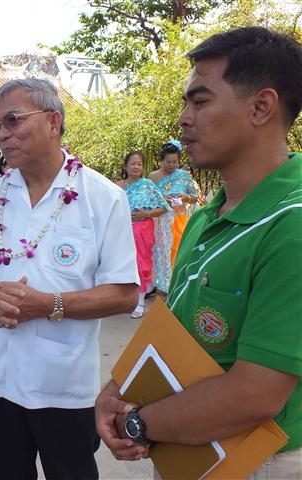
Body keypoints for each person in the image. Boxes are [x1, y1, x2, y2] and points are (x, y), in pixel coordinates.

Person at [95, 26, 302, 479]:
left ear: (261, 106)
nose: (184, 118)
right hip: (186, 451)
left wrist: (137, 422)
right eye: (187, 102)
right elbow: (170, 321)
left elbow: (254, 395)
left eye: (201, 101)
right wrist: (115, 389)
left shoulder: (293, 226)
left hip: (260, 462)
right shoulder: (212, 213)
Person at [0, 78, 139, 479]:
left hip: (63, 387)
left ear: (54, 122)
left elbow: (125, 294)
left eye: (14, 120)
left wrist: (50, 304)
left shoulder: (102, 198)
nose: (2, 134)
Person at [116, 151, 169, 318]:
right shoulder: (116, 187)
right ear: (125, 166)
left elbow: (163, 208)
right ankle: (121, 300)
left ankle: (139, 302)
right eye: (132, 163)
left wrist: (146, 214)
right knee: (121, 264)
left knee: (141, 264)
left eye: (139, 164)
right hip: (121, 230)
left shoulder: (147, 185)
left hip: (142, 229)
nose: (136, 167)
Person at [149, 141, 198, 293]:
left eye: (175, 162)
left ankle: (175, 283)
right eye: (168, 162)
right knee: (159, 251)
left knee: (177, 250)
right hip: (160, 219)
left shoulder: (184, 176)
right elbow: (149, 198)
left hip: (178, 219)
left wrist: (185, 197)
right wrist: (163, 199)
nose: (172, 165)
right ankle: (159, 283)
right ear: (161, 161)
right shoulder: (153, 176)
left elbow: (194, 197)